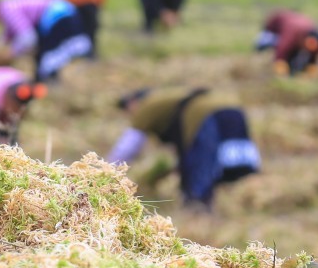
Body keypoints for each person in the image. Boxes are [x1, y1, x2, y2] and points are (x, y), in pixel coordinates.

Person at [107, 87, 260, 208]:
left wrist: (106, 171)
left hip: (206, 117)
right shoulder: (166, 99)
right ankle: (205, 209)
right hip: (234, 112)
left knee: (199, 166)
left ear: (133, 102)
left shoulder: (146, 106)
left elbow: (128, 146)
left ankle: (197, 211)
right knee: (217, 165)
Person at [0, 0, 92, 81]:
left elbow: (27, 38)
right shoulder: (8, 8)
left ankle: (50, 83)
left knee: (49, 54)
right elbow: (9, 35)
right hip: (62, 12)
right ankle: (48, 81)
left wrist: (12, 53)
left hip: (57, 16)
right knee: (45, 55)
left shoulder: (7, 10)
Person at [255, 10, 318, 76]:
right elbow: (281, 51)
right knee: (268, 45)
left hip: (296, 26)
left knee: (294, 54)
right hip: (274, 27)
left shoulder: (314, 39)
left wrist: (311, 69)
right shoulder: (291, 35)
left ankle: (292, 68)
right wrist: (281, 71)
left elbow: (314, 57)